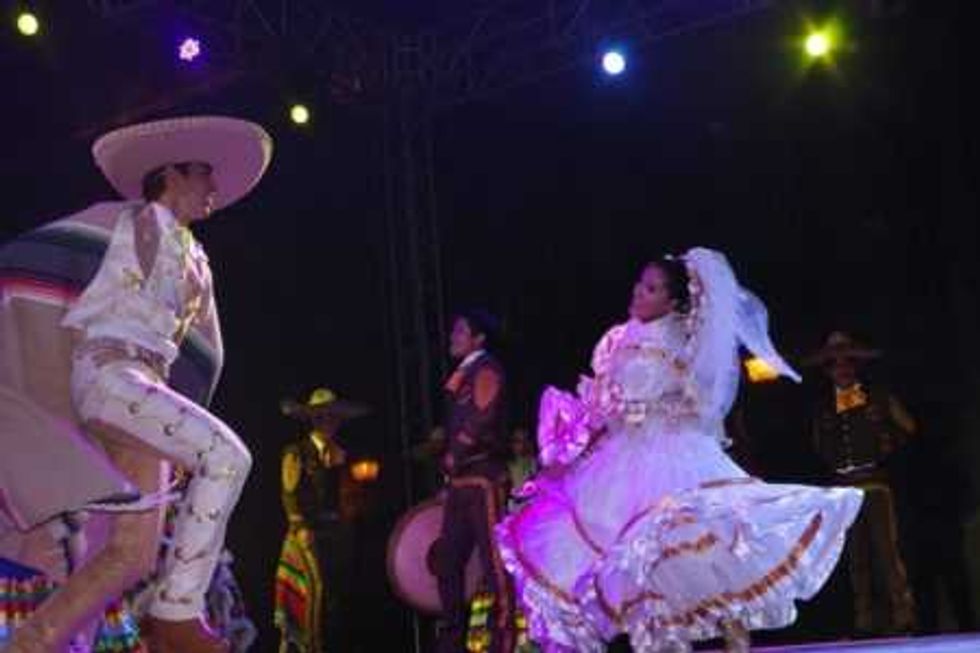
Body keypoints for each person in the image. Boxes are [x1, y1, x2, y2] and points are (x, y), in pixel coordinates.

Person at [496, 248, 864, 653]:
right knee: (617, 553)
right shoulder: (616, 339)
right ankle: (666, 639)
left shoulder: (686, 339)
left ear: (672, 301)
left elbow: (704, 404)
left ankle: (733, 630)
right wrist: (572, 445)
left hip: (669, 452)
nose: (639, 292)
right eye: (640, 284)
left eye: (651, 289)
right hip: (620, 458)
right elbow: (603, 406)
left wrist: (666, 407)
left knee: (693, 539)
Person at [6, 115, 272, 653]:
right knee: (227, 456)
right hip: (110, 375)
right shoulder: (122, 221)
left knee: (133, 553)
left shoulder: (196, 257)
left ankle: (31, 644)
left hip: (144, 393)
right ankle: (177, 614)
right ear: (171, 175)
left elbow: (198, 354)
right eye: (205, 177)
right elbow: (35, 261)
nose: (214, 189)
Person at [807, 331, 918, 635]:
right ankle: (865, 620)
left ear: (855, 366)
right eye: (835, 364)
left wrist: (885, 445)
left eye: (847, 362)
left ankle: (902, 615)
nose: (842, 368)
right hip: (844, 488)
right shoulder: (824, 407)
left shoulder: (877, 397)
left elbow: (908, 427)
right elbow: (818, 444)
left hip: (875, 483)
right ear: (828, 370)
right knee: (856, 557)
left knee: (887, 552)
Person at [435, 309, 515, 653]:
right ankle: (453, 642)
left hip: (483, 478)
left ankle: (504, 641)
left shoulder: (485, 369)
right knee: (447, 563)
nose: (453, 336)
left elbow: (484, 417)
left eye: (460, 331)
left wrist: (458, 451)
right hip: (461, 483)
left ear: (478, 339)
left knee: (494, 565)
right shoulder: (464, 374)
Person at [275, 387, 370, 653]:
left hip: (339, 533)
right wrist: (300, 526)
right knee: (314, 591)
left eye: (333, 417)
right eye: (322, 417)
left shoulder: (343, 454)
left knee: (338, 595)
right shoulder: (297, 452)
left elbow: (354, 496)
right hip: (310, 532)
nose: (329, 422)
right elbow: (289, 492)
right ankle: (311, 647)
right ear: (313, 421)